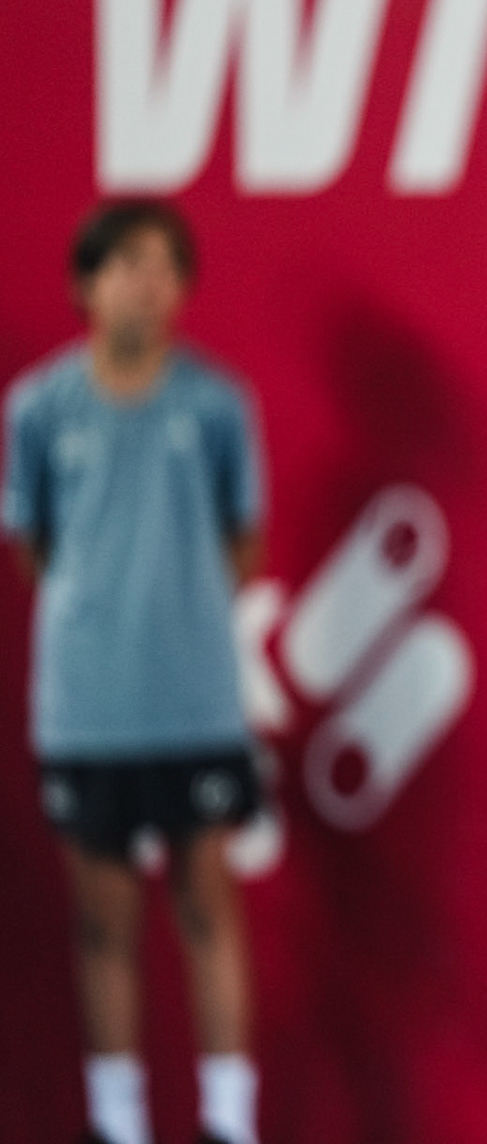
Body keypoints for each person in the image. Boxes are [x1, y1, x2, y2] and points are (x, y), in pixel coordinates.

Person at [2, 200, 267, 1144]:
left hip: (195, 705)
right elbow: (30, 542)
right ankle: (119, 1127)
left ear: (183, 289)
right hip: (87, 712)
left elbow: (244, 539)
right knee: (103, 921)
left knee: (207, 905)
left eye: (164, 267)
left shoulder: (218, 405)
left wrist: (175, 619)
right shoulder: (37, 408)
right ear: (86, 283)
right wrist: (99, 615)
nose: (146, 284)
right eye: (125, 264)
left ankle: (228, 1123)